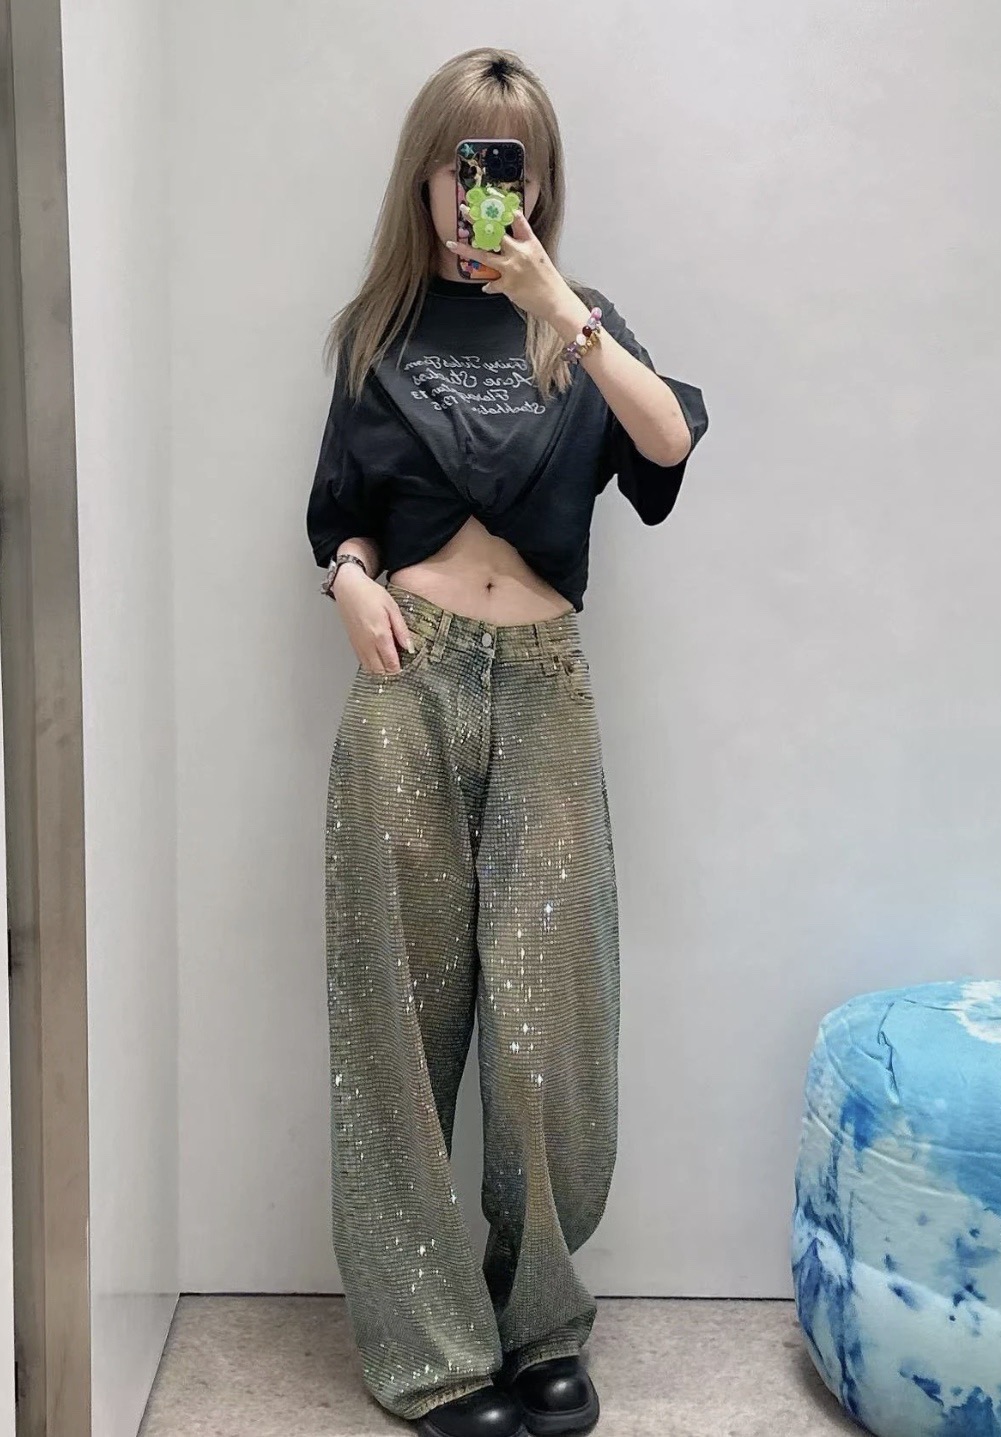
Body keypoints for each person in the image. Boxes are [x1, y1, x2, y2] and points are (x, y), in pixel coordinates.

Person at [306, 46, 708, 1437]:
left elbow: (667, 447)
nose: (490, 190)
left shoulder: (579, 326)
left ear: (539, 183)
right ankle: (428, 1349)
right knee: (395, 1022)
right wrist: (347, 580)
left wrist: (561, 308)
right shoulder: (376, 333)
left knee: (547, 1026)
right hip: (407, 683)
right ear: (425, 178)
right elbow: (338, 511)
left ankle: (538, 1318)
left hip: (541, 690)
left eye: (514, 166)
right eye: (467, 162)